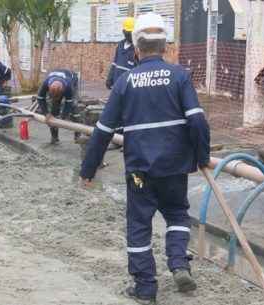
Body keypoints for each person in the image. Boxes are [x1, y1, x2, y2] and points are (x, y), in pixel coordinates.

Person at [79, 13, 211, 304]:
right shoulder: (179, 76)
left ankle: (145, 289)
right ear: (165, 47)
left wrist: (88, 169)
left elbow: (102, 130)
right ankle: (179, 264)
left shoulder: (125, 82)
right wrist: (202, 156)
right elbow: (198, 122)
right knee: (177, 215)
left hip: (140, 170)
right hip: (175, 166)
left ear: (136, 49)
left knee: (139, 225)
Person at [36, 68, 79, 144]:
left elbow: (68, 102)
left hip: (72, 78)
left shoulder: (68, 86)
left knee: (74, 107)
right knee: (54, 108)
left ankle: (77, 135)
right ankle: (54, 137)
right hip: (58, 79)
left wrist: (63, 117)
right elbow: (40, 98)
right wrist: (46, 114)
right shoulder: (45, 83)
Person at [105, 17, 137, 90]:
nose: (131, 35)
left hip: (129, 88)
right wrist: (110, 77)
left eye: (133, 33)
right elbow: (115, 63)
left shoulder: (137, 49)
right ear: (124, 32)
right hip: (117, 84)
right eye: (129, 33)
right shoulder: (120, 45)